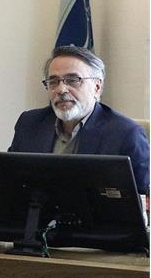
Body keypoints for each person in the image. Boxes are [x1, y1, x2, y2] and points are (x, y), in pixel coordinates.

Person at [9, 46, 149, 195]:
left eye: (72, 80)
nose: (61, 89)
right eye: (53, 82)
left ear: (97, 87)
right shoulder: (30, 123)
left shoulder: (125, 134)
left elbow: (141, 199)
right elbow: (9, 180)